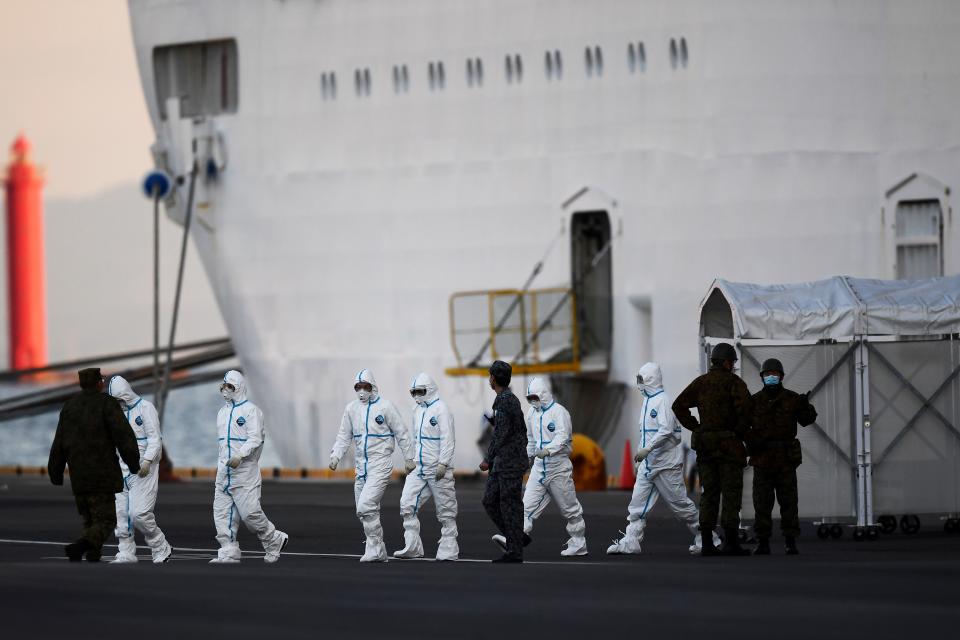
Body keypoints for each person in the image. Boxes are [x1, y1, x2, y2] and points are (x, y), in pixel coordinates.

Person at [608, 363, 721, 555]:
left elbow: (667, 430)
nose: (639, 384)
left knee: (681, 506)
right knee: (637, 504)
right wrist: (643, 455)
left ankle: (708, 538)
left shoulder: (663, 402)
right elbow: (647, 433)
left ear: (651, 380)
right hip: (649, 464)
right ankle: (631, 541)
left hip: (665, 464)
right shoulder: (647, 402)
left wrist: (648, 449)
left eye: (641, 380)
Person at [48, 368, 141, 562]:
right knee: (106, 520)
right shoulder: (107, 404)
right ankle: (81, 546)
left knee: (90, 518)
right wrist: (133, 463)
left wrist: (55, 471)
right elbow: (124, 436)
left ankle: (92, 553)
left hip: (78, 474)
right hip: (102, 474)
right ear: (99, 383)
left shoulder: (70, 406)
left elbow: (59, 442)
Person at [673, 343, 753, 556]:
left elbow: (678, 405)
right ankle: (731, 543)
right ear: (727, 362)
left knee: (709, 494)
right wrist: (739, 433)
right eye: (732, 362)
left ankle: (707, 542)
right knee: (731, 494)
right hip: (729, 447)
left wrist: (696, 426)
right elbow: (746, 411)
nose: (733, 365)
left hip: (706, 448)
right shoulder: (734, 383)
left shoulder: (701, 383)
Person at [493, 377, 587, 557]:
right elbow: (530, 440)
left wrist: (548, 450)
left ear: (544, 394)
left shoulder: (560, 412)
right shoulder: (531, 414)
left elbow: (563, 437)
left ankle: (579, 542)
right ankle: (512, 540)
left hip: (558, 469)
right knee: (525, 507)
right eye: (530, 398)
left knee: (570, 509)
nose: (533, 401)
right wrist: (526, 459)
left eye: (535, 397)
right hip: (539, 468)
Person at [330, 368, 415, 562]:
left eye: (365, 387)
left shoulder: (385, 407)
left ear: (373, 387)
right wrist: (336, 455)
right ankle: (376, 549)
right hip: (361, 468)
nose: (361, 391)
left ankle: (376, 548)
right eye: (358, 387)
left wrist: (409, 458)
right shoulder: (351, 409)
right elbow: (344, 436)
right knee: (365, 511)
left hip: (380, 464)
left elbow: (401, 432)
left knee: (365, 505)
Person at [211, 370, 289, 564]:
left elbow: (256, 438)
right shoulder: (222, 413)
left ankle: (273, 539)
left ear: (238, 387)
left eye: (230, 386)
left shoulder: (251, 411)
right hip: (224, 471)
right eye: (224, 386)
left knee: (250, 513)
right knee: (222, 512)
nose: (225, 390)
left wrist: (240, 455)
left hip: (245, 471)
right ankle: (228, 550)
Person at [748, 358, 817, 555]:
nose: (771, 377)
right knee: (761, 503)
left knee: (789, 502)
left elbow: (807, 420)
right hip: (762, 459)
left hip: (785, 460)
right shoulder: (754, 401)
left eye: (775, 374)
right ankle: (763, 542)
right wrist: (751, 442)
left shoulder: (792, 399)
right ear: (762, 377)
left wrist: (805, 406)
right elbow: (743, 426)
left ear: (782, 377)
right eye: (767, 374)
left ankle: (790, 540)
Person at [106, 375, 173, 563]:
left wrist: (148, 461)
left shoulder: (145, 408)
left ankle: (160, 545)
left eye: (119, 399)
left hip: (144, 469)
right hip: (121, 469)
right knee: (121, 513)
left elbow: (155, 439)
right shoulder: (116, 413)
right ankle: (126, 551)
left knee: (139, 514)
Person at [393, 373, 459, 561]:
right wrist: (411, 459)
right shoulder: (417, 410)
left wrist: (443, 463)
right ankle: (412, 545)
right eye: (413, 392)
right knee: (407, 503)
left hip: (438, 468)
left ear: (429, 390)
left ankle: (449, 547)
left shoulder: (442, 410)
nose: (416, 396)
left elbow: (448, 439)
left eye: (420, 391)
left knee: (445, 508)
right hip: (419, 468)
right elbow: (416, 438)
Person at [480, 360, 529, 563]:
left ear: (494, 378)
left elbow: (501, 434)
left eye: (490, 375)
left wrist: (487, 459)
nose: (489, 379)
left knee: (509, 505)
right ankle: (518, 537)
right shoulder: (506, 399)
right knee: (490, 500)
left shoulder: (505, 400)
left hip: (509, 462)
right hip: (504, 462)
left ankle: (515, 550)